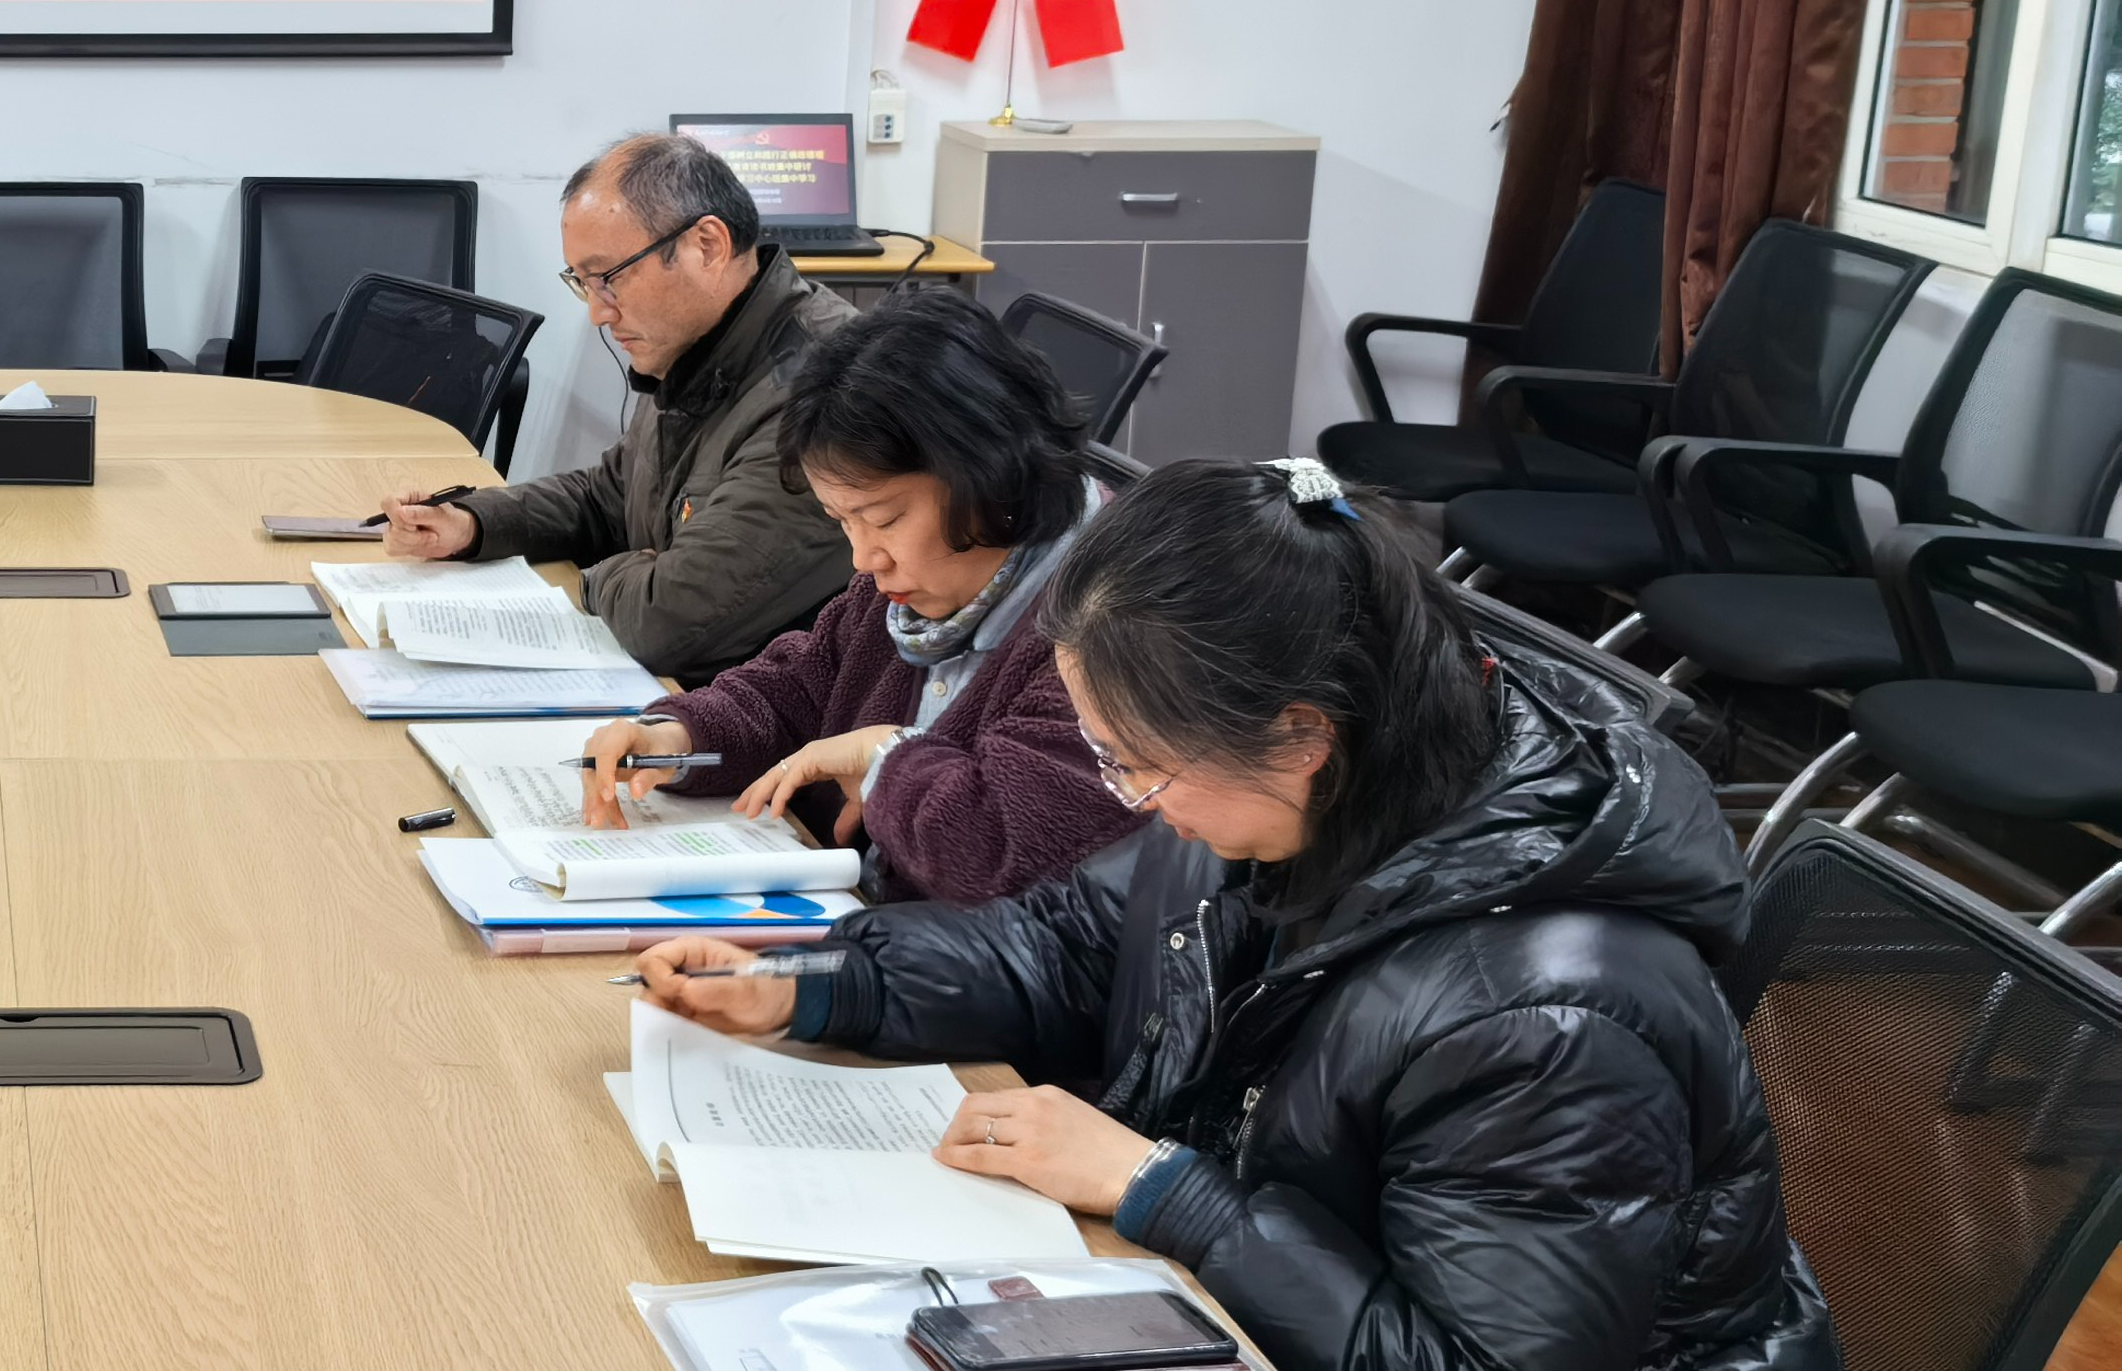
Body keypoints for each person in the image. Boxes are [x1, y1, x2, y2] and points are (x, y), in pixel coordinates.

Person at [634, 459, 1833, 1371]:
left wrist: (1170, 1193)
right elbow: (1066, 943)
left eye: (1135, 765)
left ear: (1304, 736)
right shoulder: (1290, 795)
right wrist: (822, 980)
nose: (1127, 800)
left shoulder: (1555, 1015)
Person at [574, 290, 1134, 905]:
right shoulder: (909, 584)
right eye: (843, 521)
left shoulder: (1111, 631)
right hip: (860, 931)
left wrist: (887, 760)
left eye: (886, 519)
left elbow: (1006, 856)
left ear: (991, 475)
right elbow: (801, 684)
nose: (864, 559)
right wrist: (676, 737)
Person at [378, 131, 854, 677]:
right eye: (583, 284)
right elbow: (607, 498)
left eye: (609, 278)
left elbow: (669, 622)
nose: (598, 314)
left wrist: (601, 575)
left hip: (751, 728)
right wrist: (471, 522)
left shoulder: (819, 394)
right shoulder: (695, 346)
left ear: (707, 246)